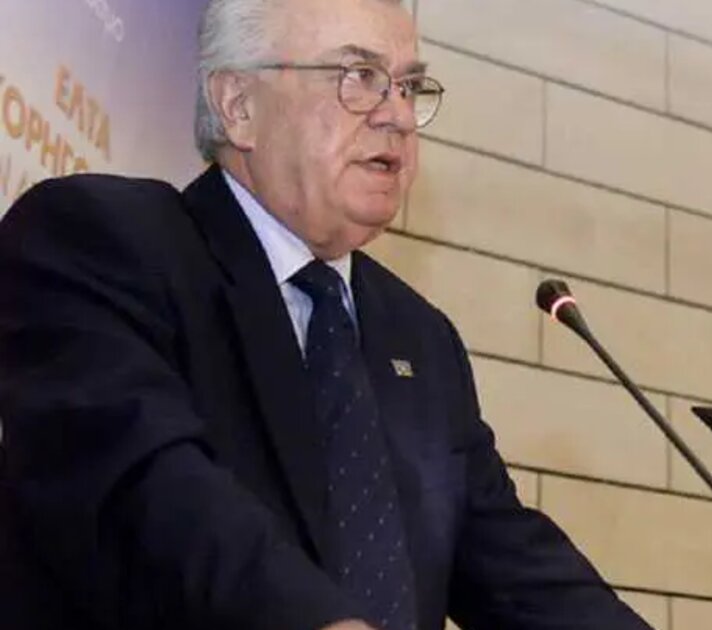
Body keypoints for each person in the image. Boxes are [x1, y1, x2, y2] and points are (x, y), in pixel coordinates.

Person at [0, 0, 652, 628]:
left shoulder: (420, 336)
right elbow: (150, 487)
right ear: (239, 106)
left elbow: (517, 569)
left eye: (409, 86)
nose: (398, 115)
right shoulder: (101, 238)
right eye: (359, 76)